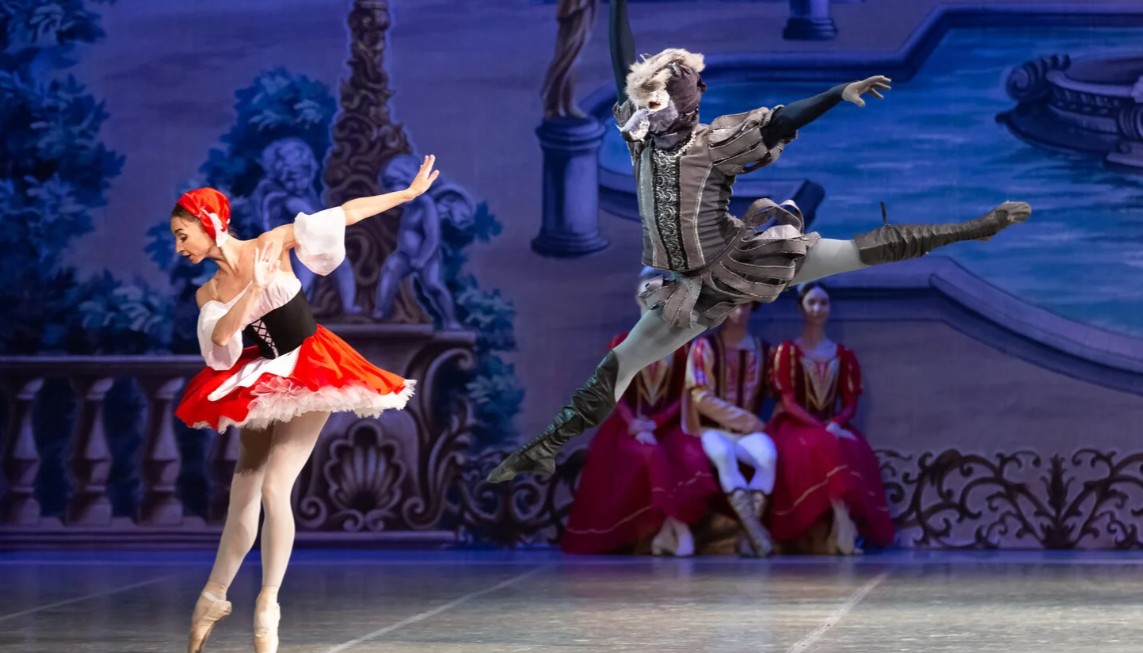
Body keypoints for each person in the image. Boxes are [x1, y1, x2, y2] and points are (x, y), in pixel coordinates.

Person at [485, 0, 1030, 484]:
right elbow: (626, 65)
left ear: (686, 104)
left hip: (745, 260)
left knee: (857, 251)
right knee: (619, 364)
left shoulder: (713, 145)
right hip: (687, 292)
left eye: (661, 97)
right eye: (648, 97)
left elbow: (780, 121)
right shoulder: (642, 140)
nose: (650, 103)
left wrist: (835, 94)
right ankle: (546, 448)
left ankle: (977, 226)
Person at [173, 156, 439, 653]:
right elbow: (223, 340)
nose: (179, 246)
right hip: (259, 374)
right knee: (244, 489)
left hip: (311, 367)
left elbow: (346, 213)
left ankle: (267, 604)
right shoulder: (207, 291)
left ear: (209, 225)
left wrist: (404, 196)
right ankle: (213, 596)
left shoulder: (271, 242)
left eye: (183, 235)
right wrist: (252, 288)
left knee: (276, 485)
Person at [561, 268, 719, 557]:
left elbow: (679, 397)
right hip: (626, 428)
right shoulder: (621, 343)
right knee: (650, 455)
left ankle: (665, 534)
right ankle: (676, 528)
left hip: (665, 427)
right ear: (638, 299)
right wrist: (635, 424)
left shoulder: (678, 347)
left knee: (689, 456)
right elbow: (613, 392)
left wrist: (655, 424)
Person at [767, 283, 894, 553]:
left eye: (823, 303)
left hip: (830, 424)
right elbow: (788, 402)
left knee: (855, 448)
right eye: (811, 302)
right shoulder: (788, 351)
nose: (817, 309)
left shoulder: (843, 354)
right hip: (795, 425)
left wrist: (835, 424)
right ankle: (843, 523)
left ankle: (841, 527)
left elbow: (850, 403)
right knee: (826, 445)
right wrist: (823, 428)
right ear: (800, 308)